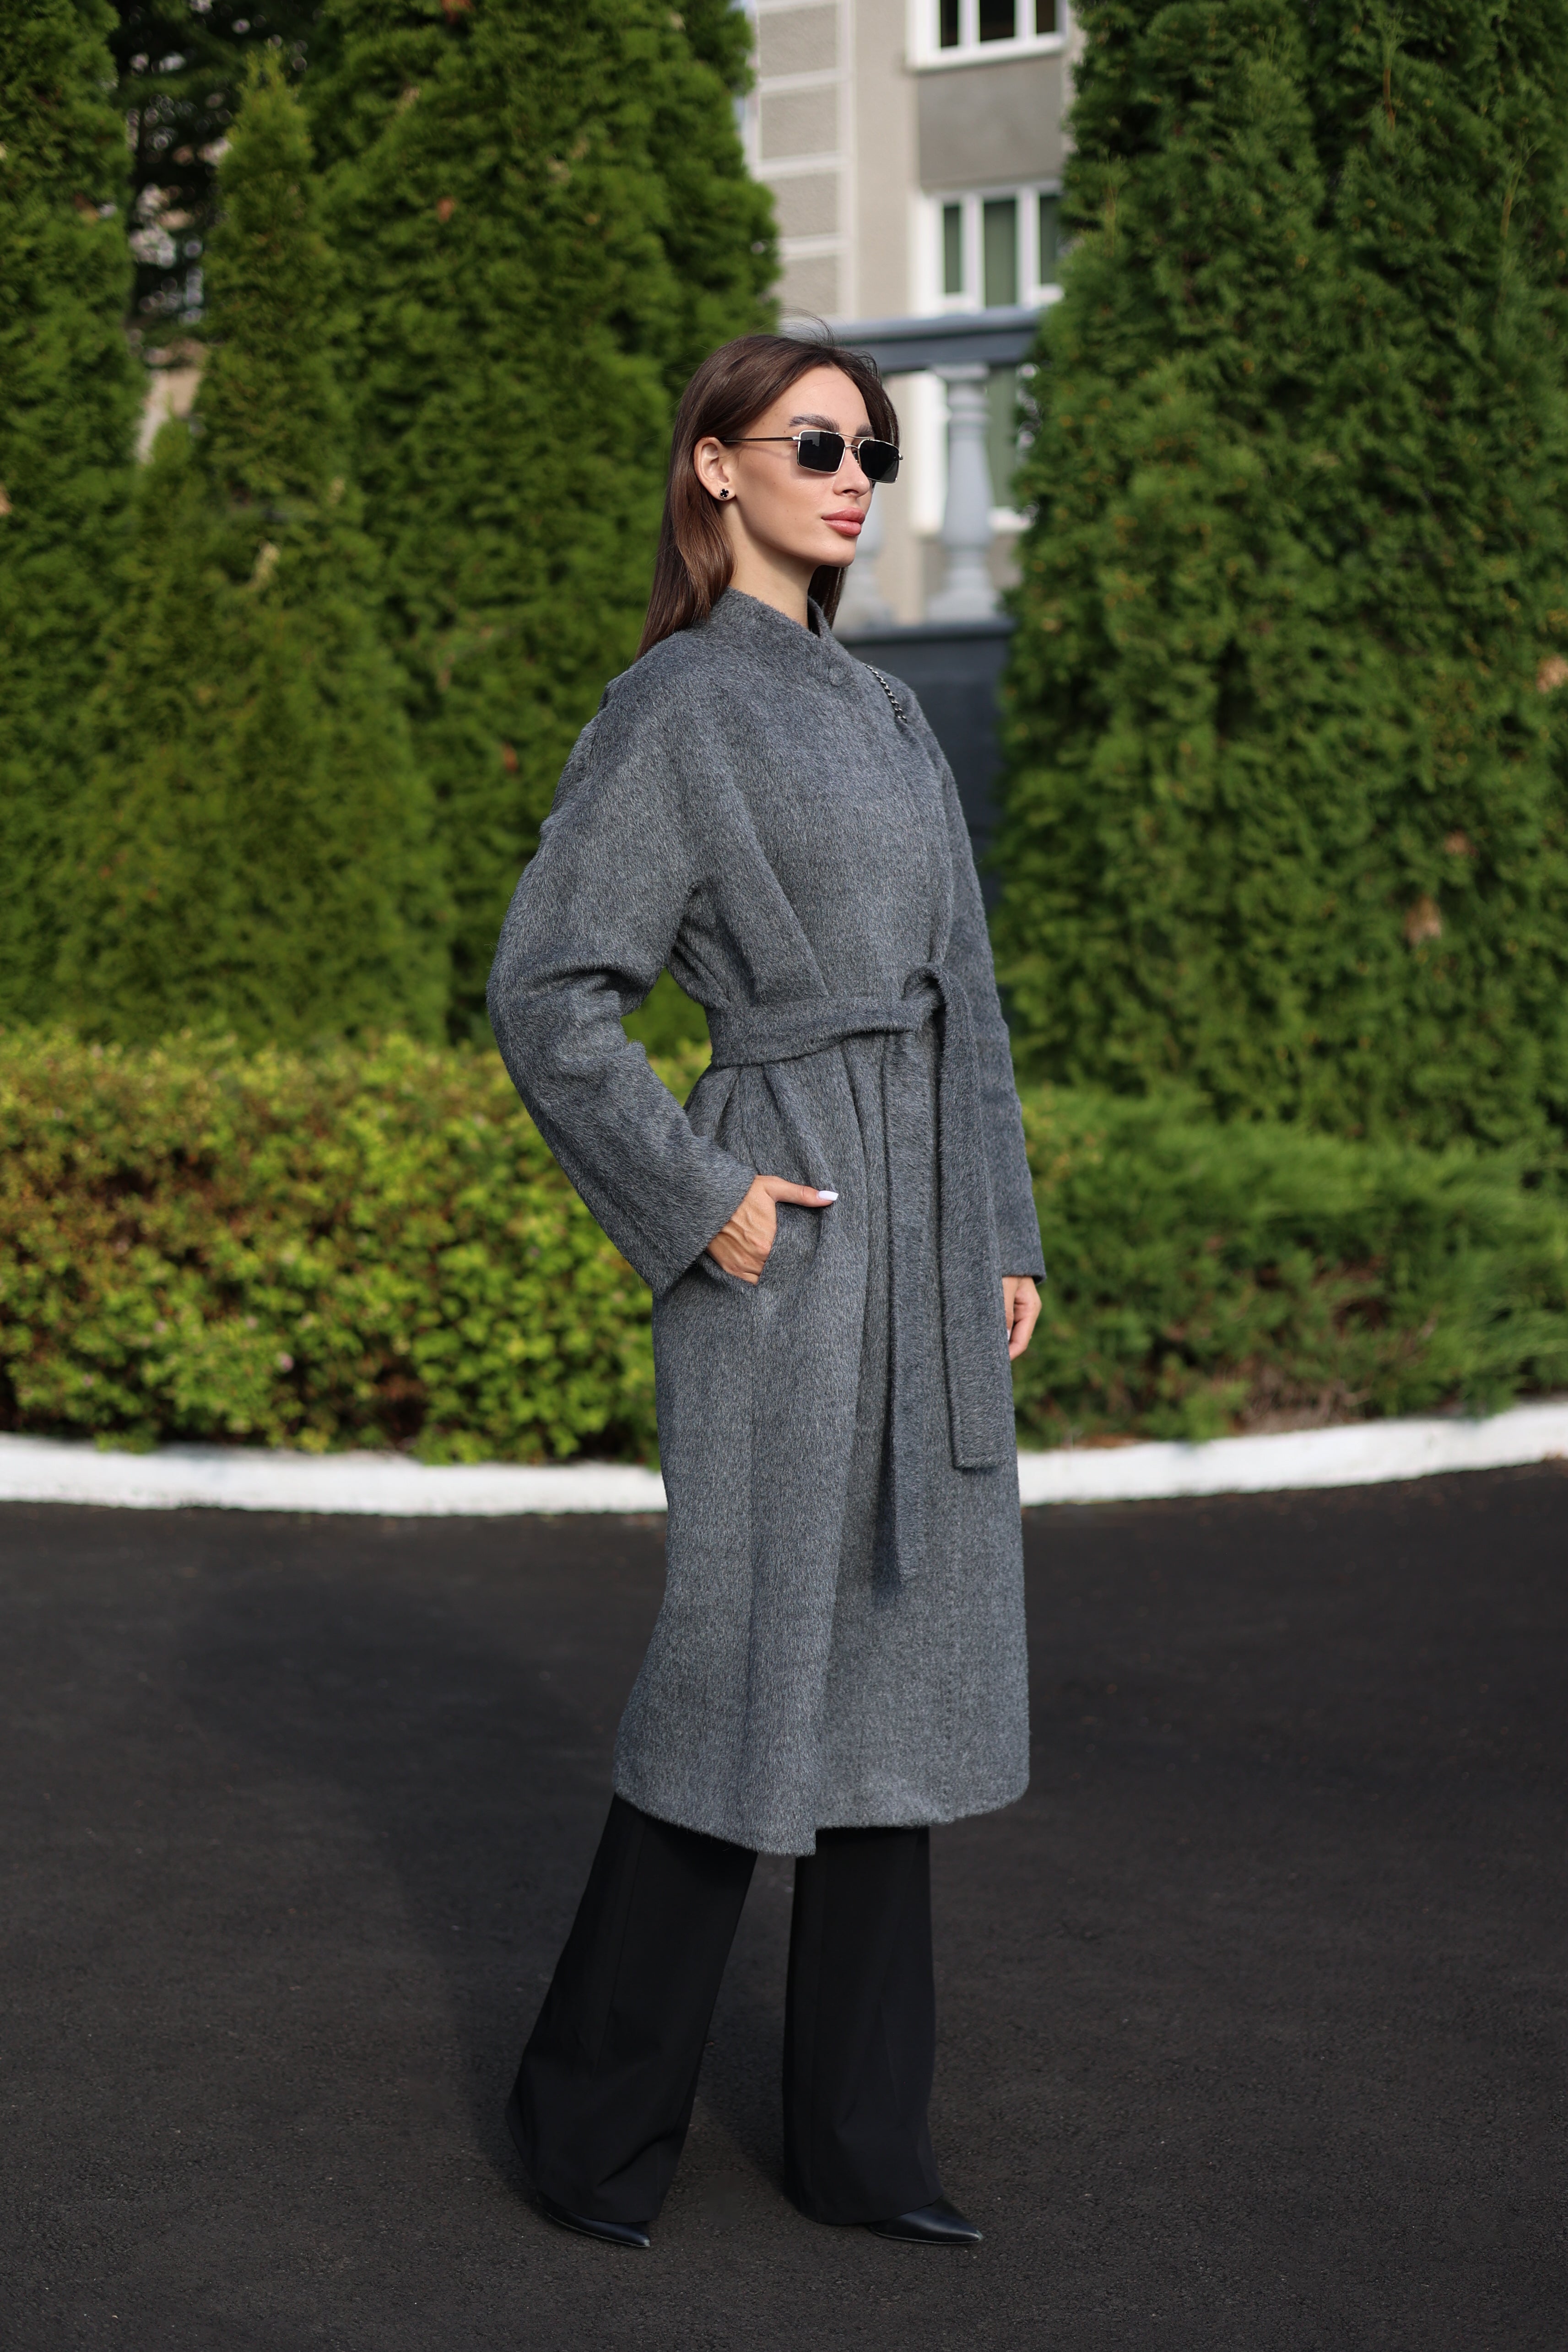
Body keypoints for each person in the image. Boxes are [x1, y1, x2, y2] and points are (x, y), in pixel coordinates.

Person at [487, 332, 1043, 2251]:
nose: (855, 472)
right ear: (715, 467)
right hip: (784, 1225)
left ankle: (861, 2146)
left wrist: (1000, 1228)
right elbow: (546, 987)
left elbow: (961, 996)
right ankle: (585, 2127)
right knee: (742, 1669)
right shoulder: (674, 713)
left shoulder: (887, 719)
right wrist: (694, 1193)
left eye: (875, 446)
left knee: (890, 1678)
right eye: (817, 439)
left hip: (914, 1227)